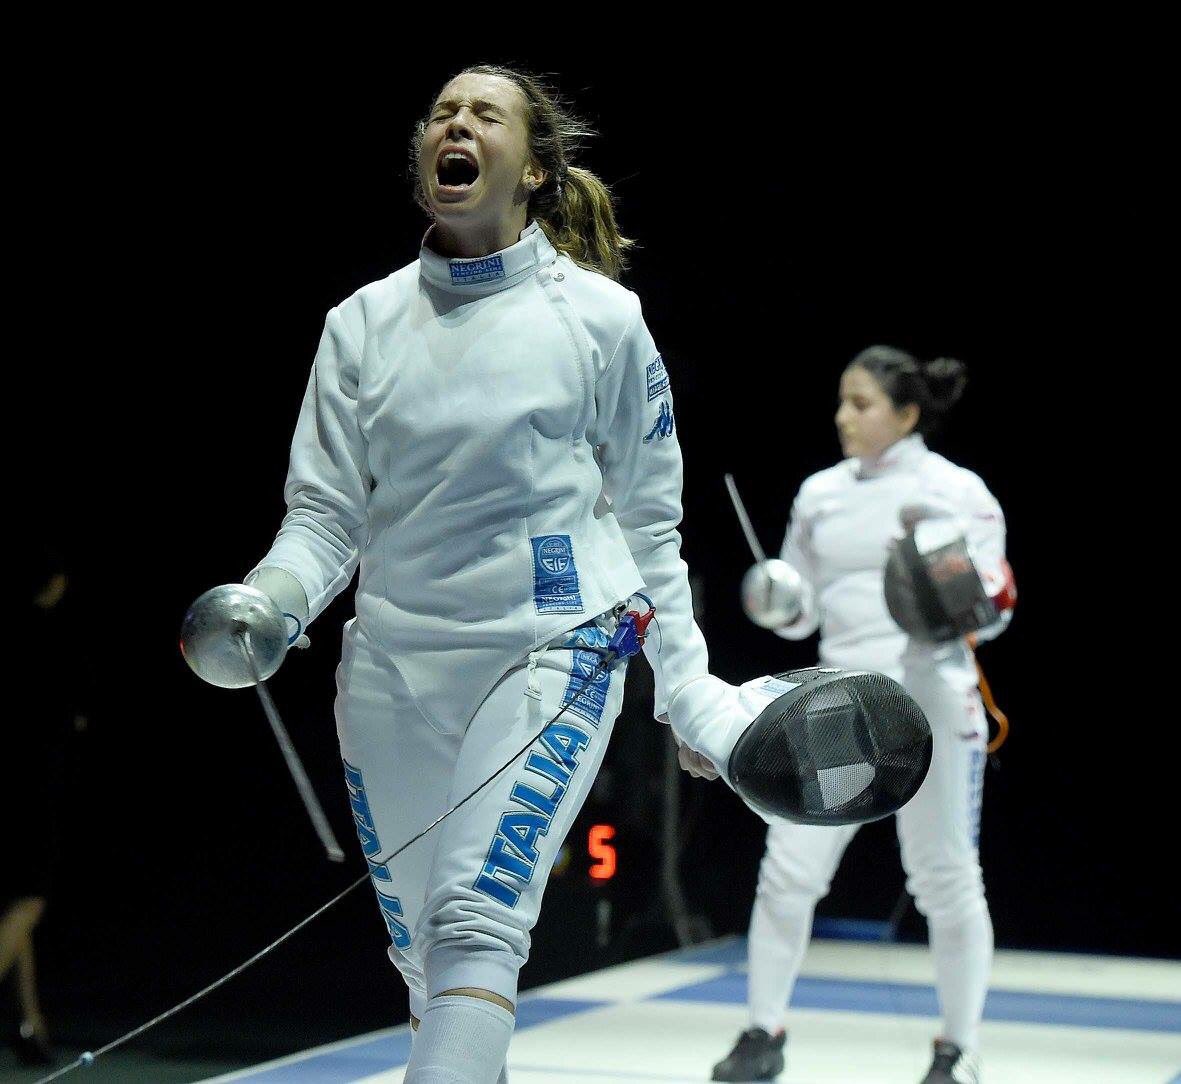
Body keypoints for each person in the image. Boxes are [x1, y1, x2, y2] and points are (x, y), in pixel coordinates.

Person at [241, 65, 713, 1084]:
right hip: (393, 671)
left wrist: (688, 693)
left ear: (533, 168)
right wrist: (271, 602)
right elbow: (325, 517)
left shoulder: (598, 319)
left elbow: (649, 522)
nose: (455, 124)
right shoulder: (360, 323)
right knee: (426, 961)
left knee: (474, 924)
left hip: (554, 653)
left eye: (483, 114)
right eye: (442, 114)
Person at [711, 346, 1012, 1084]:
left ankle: (957, 1049)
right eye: (841, 402)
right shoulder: (819, 493)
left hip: (931, 701)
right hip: (837, 704)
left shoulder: (956, 490)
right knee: (787, 873)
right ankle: (761, 1033)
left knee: (943, 877)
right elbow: (804, 604)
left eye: (861, 404)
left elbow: (996, 608)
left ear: (906, 414)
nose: (843, 417)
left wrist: (948, 580)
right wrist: (779, 602)